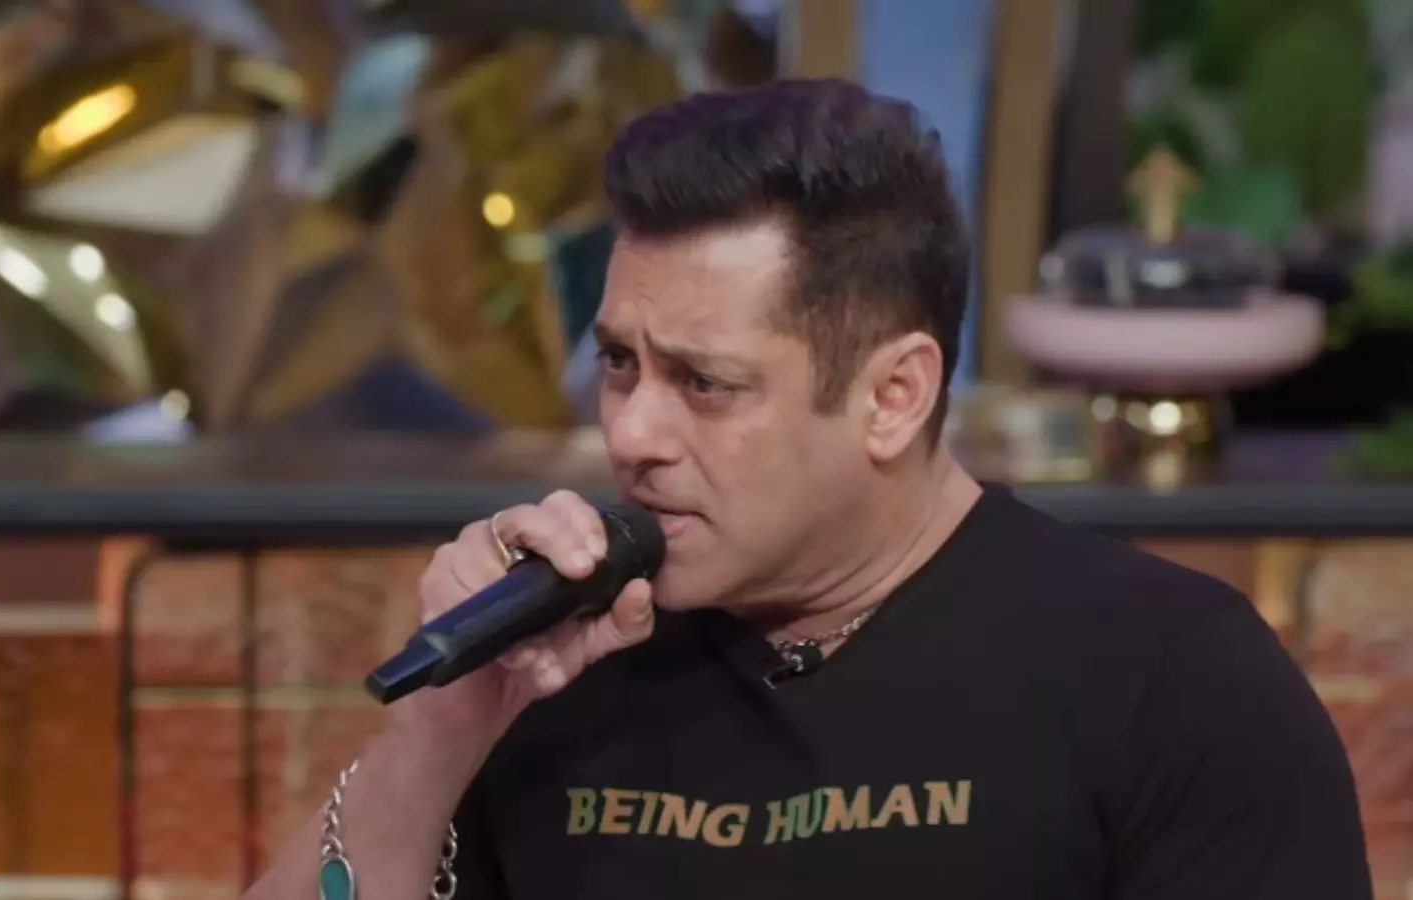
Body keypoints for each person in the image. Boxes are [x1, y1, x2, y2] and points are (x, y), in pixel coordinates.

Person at [246, 78, 1371, 900]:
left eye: (706, 383)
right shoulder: (566, 662)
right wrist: (444, 730)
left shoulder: (1168, 679)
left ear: (893, 396)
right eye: (621, 364)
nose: (632, 433)